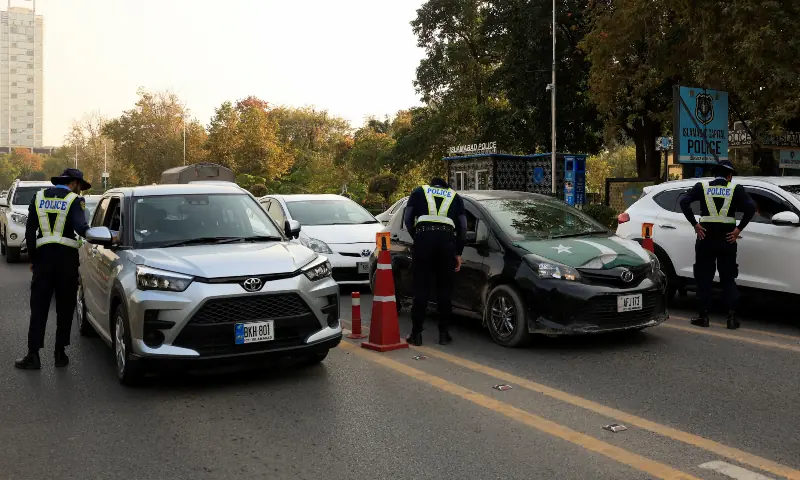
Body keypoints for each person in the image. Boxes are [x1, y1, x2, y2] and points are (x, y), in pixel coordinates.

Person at [14, 169, 92, 370]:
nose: (80, 191)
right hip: (66, 261)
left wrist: (33, 258)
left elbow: (30, 231)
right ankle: (60, 353)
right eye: (80, 187)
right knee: (65, 308)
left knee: (38, 308)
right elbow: (81, 228)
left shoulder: (38, 197)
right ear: (74, 183)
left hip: (43, 260)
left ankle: (33, 355)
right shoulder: (74, 200)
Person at [679, 160, 755, 329]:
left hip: (705, 237)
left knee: (704, 277)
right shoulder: (736, 189)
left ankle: (703, 316)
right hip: (728, 239)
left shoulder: (702, 187)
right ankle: (732, 318)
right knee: (728, 278)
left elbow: (684, 202)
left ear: (714, 174)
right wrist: (738, 230)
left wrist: (695, 224)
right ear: (729, 175)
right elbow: (751, 208)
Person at [403, 177, 467, 346]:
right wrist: (458, 252)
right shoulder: (455, 196)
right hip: (447, 244)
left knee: (421, 289)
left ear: (431, 185)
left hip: (424, 240)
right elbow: (463, 227)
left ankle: (416, 335)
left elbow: (408, 219)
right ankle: (444, 334)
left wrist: (417, 237)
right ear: (446, 186)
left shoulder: (419, 191)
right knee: (445, 290)